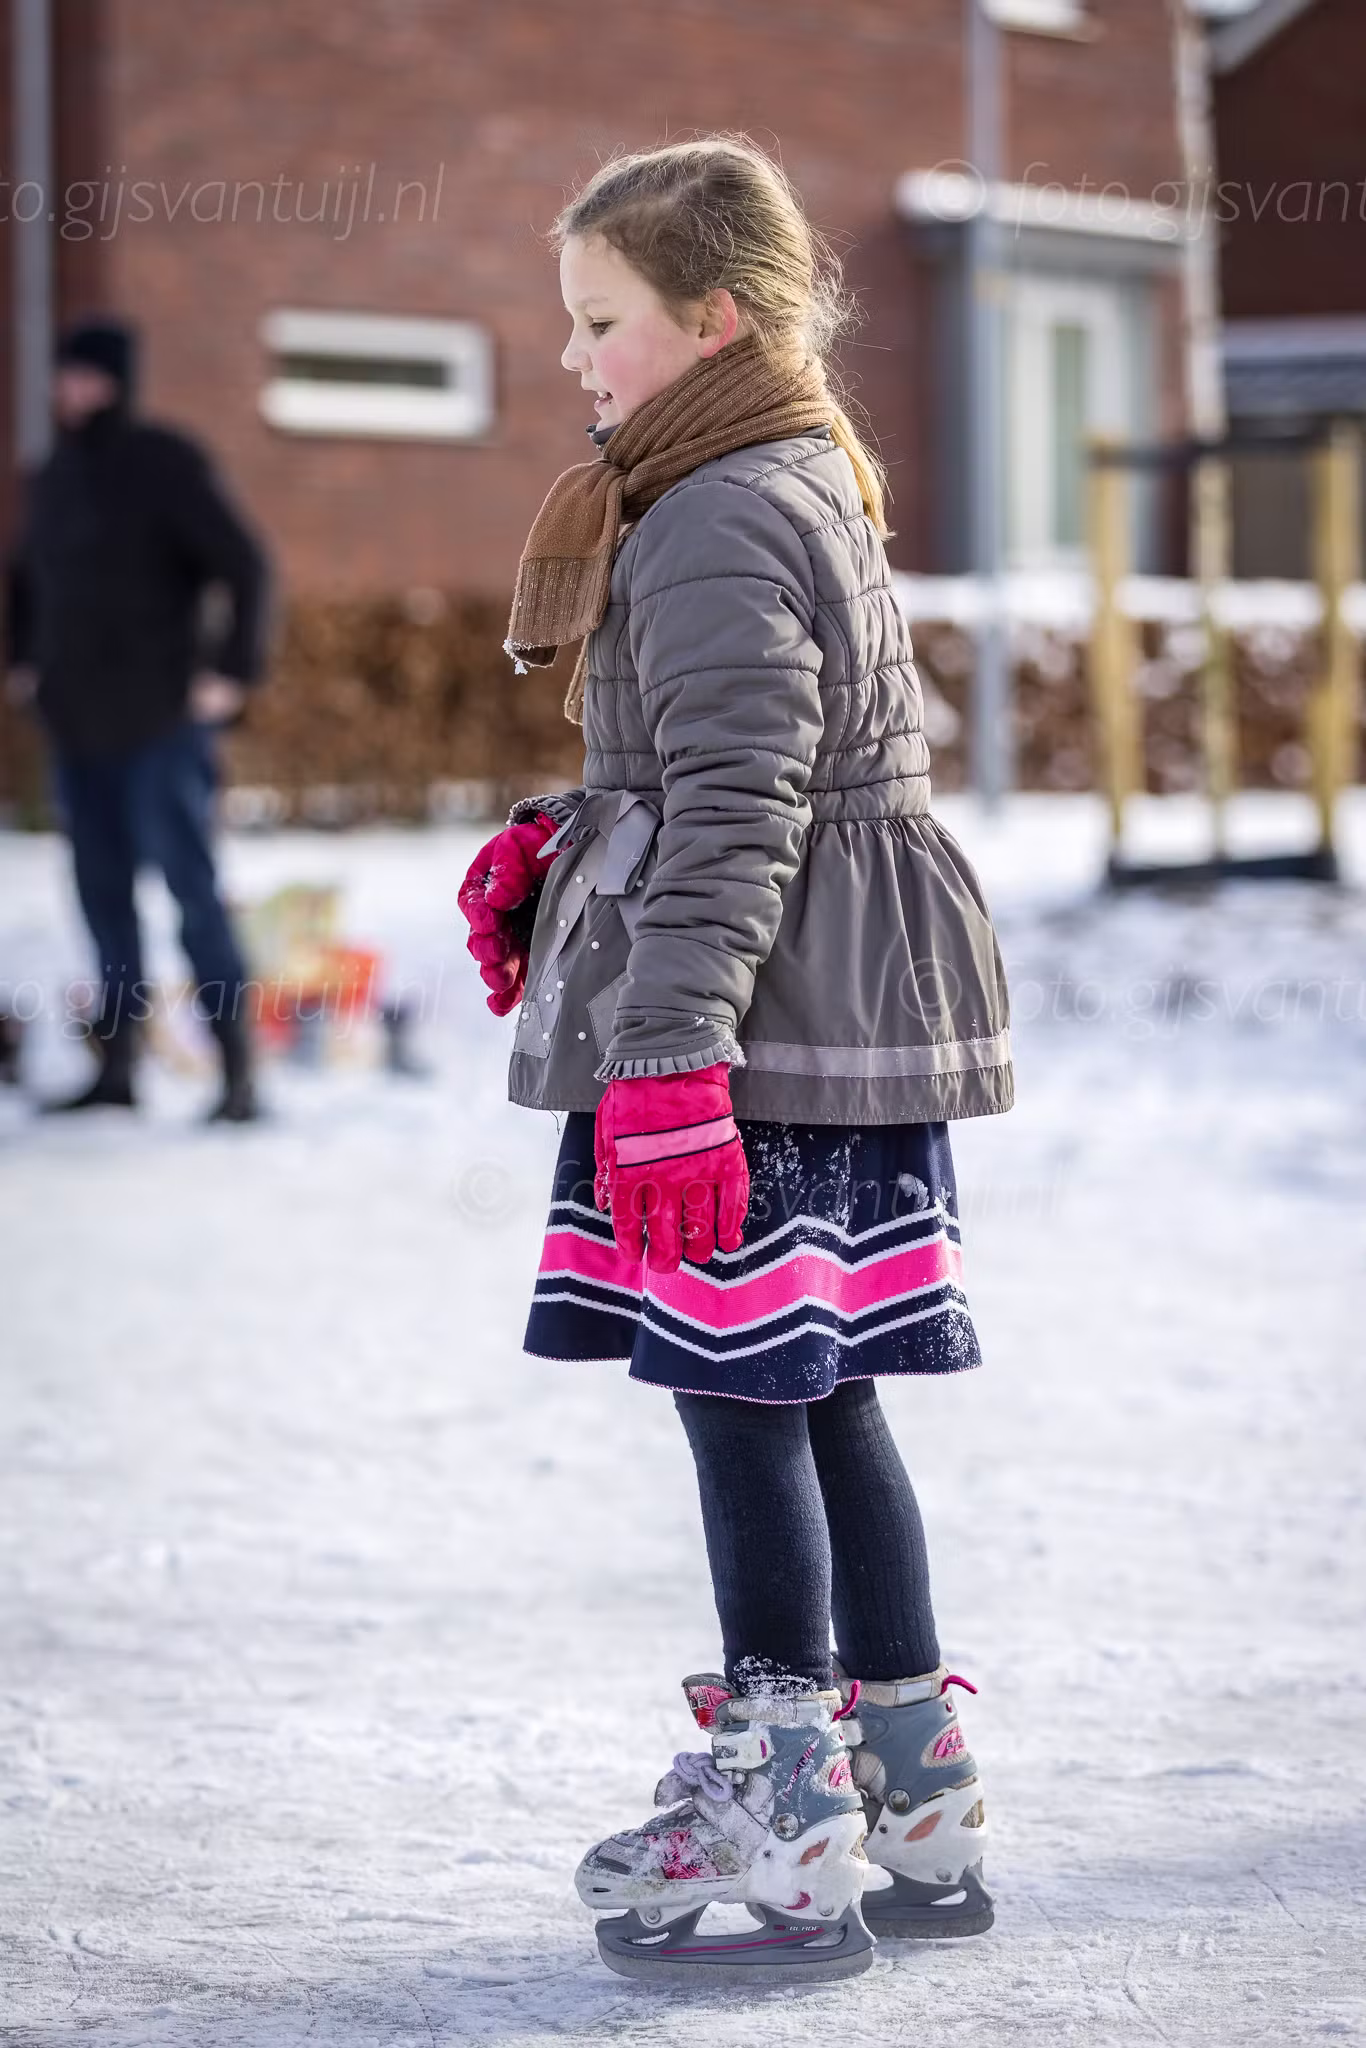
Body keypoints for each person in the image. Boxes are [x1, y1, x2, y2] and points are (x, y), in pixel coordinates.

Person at [459, 138, 1014, 1986]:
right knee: (819, 1386)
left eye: (598, 320)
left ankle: (784, 1812)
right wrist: (569, 850)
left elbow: (740, 810)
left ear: (712, 319)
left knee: (740, 1390)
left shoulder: (706, 508)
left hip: (759, 1030)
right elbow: (741, 770)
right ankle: (907, 1788)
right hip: (825, 1009)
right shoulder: (786, 467)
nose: (573, 359)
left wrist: (670, 1054)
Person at [4, 316, 272, 1121]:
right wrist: (23, 660)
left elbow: (246, 564)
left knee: (192, 892)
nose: (70, 389)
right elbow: (25, 578)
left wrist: (231, 673)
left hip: (162, 723)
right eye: (64, 375)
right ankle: (117, 1070)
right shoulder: (54, 474)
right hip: (78, 726)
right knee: (101, 897)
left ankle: (237, 1074)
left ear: (118, 379)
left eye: (85, 374)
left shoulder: (164, 462)